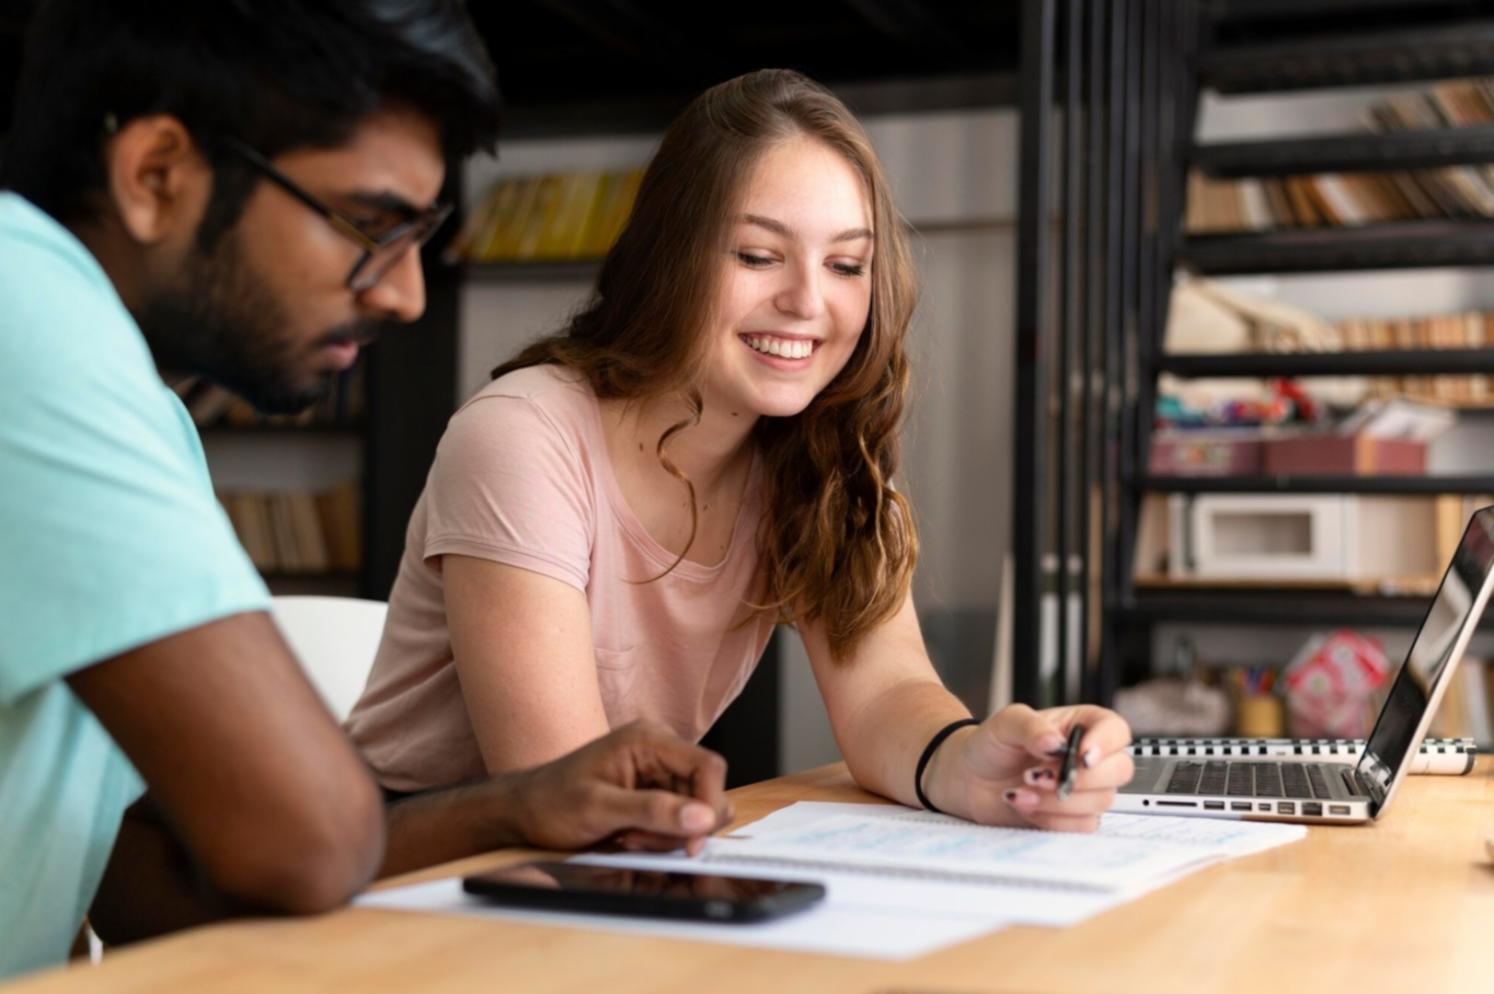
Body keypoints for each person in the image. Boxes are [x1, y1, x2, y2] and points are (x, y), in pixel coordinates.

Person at [0, 2, 727, 978]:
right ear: (156, 174)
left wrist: (517, 802)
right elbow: (304, 840)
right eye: (370, 225)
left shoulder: (133, 395)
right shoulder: (26, 311)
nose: (405, 293)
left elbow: (153, 882)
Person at [346, 69, 1135, 835]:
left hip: (600, 862)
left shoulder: (823, 453)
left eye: (846, 265)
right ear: (670, 257)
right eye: (758, 255)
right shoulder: (523, 435)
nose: (807, 301)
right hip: (411, 871)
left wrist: (978, 762)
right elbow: (562, 786)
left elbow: (884, 693)